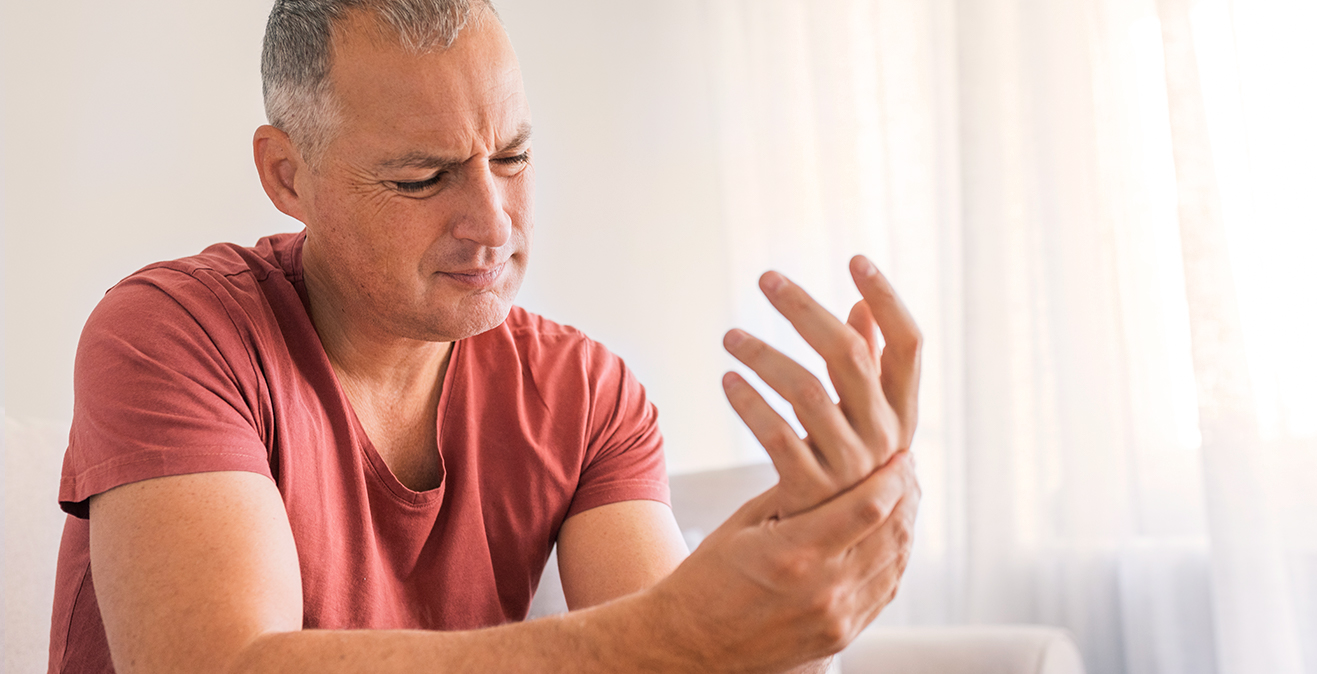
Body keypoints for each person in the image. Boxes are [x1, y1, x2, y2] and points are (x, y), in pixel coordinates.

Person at [49, 1, 923, 672]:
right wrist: (682, 627)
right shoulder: (172, 334)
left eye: (511, 158)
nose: (493, 225)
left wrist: (808, 574)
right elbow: (224, 666)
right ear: (288, 174)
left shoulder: (585, 392)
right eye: (421, 176)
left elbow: (682, 657)